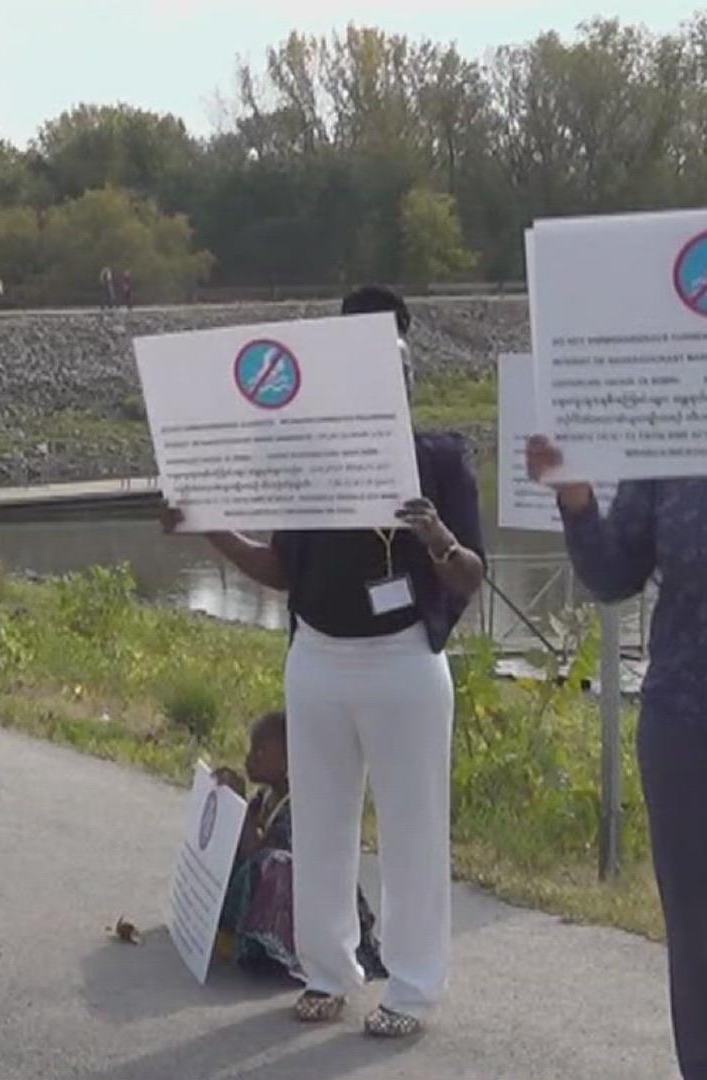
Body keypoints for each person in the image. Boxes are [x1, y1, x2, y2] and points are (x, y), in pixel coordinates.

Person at [161, 285, 483, 1038]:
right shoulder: (308, 457)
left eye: (393, 369)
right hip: (319, 660)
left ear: (409, 375)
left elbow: (469, 574)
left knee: (412, 826)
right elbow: (282, 570)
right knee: (324, 825)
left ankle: (411, 984)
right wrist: (207, 528)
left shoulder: (439, 459)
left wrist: (436, 537)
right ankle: (329, 970)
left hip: (402, 663)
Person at [526, 437, 706, 1078]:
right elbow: (612, 574)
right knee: (698, 941)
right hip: (688, 725)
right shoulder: (673, 436)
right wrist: (575, 498)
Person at [213, 712, 387, 983]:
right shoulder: (268, 796)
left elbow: (256, 857)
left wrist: (243, 814)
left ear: (288, 762)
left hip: (307, 908)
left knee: (272, 864)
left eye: (260, 752)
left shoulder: (299, 807)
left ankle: (277, 953)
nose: (250, 758)